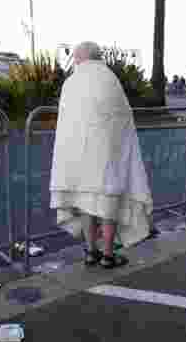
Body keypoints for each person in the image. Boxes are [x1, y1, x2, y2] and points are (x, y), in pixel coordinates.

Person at [49, 42, 153, 269]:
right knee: (108, 205)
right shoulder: (109, 80)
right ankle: (108, 255)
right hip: (107, 158)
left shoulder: (70, 84)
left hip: (77, 160)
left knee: (85, 202)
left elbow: (66, 125)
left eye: (75, 59)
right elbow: (123, 119)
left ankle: (90, 252)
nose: (74, 63)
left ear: (80, 59)